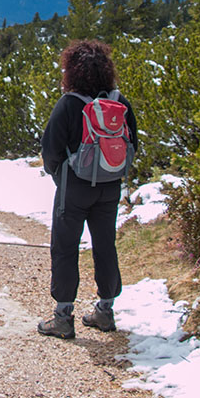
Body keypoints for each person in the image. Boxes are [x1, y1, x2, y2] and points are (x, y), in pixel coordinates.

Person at [37, 39, 138, 339]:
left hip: (74, 188)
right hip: (110, 188)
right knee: (105, 245)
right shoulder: (120, 103)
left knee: (66, 248)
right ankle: (105, 311)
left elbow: (50, 150)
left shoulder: (69, 104)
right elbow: (134, 144)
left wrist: (60, 174)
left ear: (73, 72)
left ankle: (63, 317)